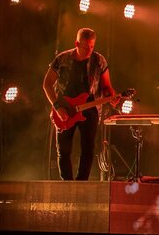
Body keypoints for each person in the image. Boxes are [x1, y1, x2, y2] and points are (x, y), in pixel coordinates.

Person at [43, 27, 117, 180]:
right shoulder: (62, 59)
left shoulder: (99, 60)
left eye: (92, 46)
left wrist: (112, 96)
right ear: (76, 43)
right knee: (63, 150)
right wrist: (57, 107)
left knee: (88, 149)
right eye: (85, 47)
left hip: (90, 108)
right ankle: (67, 184)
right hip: (65, 108)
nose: (89, 50)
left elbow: (106, 86)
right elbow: (47, 84)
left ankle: (81, 183)